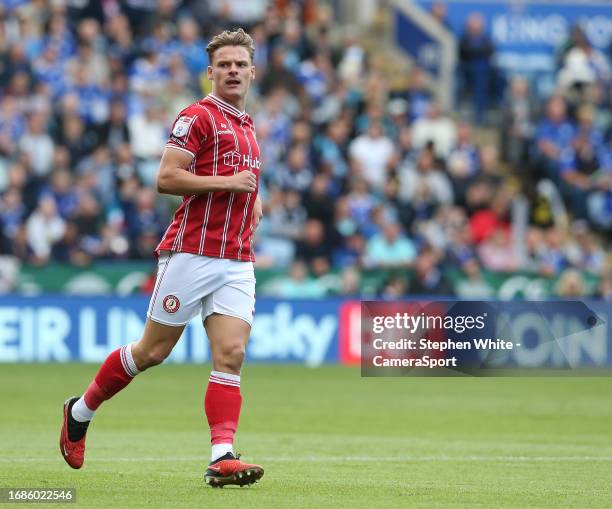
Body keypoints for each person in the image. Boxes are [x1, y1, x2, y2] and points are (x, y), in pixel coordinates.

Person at [59, 28, 265, 488]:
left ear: (253, 71)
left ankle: (222, 456)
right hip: (191, 251)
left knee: (231, 354)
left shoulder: (249, 128)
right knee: (151, 351)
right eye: (224, 65)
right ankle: (80, 411)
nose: (233, 70)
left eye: (240, 64)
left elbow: (246, 184)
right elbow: (167, 177)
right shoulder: (197, 116)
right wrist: (228, 185)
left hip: (236, 258)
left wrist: (253, 206)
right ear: (211, 73)